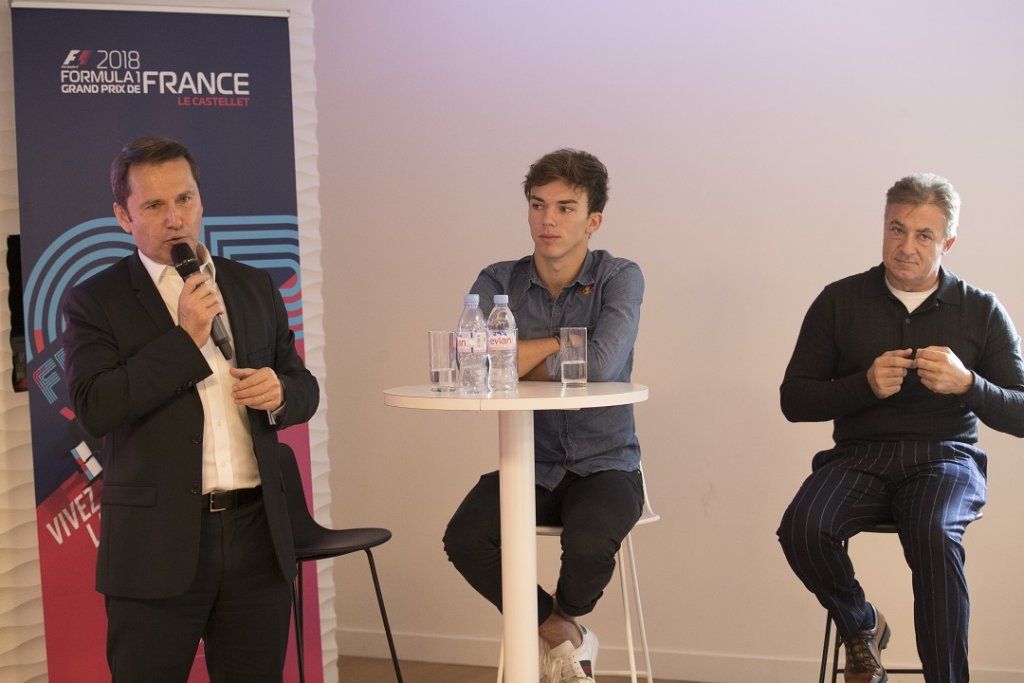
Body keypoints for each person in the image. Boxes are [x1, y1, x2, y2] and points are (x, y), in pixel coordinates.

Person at [62, 136, 319, 682]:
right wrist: (184, 339)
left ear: (201, 201)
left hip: (256, 535)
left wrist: (281, 393)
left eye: (184, 199)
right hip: (156, 545)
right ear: (122, 216)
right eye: (153, 205)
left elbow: (303, 387)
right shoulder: (95, 300)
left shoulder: (251, 286)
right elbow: (95, 406)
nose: (174, 218)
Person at [777, 173, 1024, 683]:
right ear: (884, 226)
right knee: (802, 528)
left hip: (946, 458)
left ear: (947, 242)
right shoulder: (839, 300)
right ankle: (861, 626)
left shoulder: (980, 309)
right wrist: (863, 385)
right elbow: (794, 400)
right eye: (896, 229)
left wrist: (969, 385)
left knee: (932, 533)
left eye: (923, 236)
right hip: (858, 457)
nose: (905, 247)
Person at [442, 148, 645, 683]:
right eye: (538, 205)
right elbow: (474, 361)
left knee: (589, 543)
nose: (548, 220)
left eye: (565, 207)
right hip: (529, 460)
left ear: (592, 220)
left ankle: (562, 622)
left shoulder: (620, 277)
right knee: (464, 538)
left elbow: (600, 363)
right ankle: (564, 636)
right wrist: (561, 343)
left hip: (607, 462)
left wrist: (513, 355)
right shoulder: (497, 278)